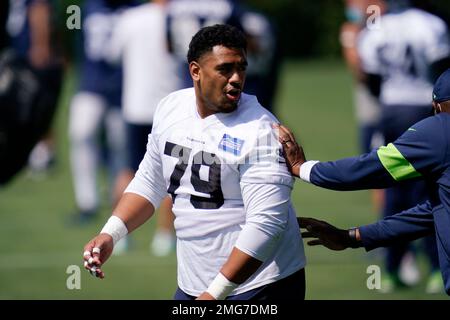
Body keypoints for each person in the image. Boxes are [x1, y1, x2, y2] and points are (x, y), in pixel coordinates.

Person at [82, 24, 306, 300]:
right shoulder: (171, 108)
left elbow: (266, 225)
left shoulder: (261, 131)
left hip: (260, 285)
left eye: (242, 68)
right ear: (195, 71)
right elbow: (151, 182)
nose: (236, 78)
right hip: (196, 284)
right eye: (225, 69)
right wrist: (111, 234)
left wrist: (214, 294)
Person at [274, 67, 450, 295]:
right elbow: (434, 212)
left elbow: (371, 169)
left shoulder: (440, 130)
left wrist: (304, 168)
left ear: (437, 106)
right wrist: (353, 237)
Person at [356, 0, 450, 291]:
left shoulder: (375, 28)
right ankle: (437, 269)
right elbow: (443, 74)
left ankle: (393, 268)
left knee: (393, 189)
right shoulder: (431, 23)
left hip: (391, 111)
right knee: (431, 192)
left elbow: (371, 81)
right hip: (426, 108)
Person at [107, 0, 182, 255]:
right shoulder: (181, 16)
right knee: (175, 174)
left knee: (128, 169)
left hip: (135, 104)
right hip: (171, 107)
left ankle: (119, 234)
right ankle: (164, 236)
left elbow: (112, 55)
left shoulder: (130, 18)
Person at [68, 0, 136, 225]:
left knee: (121, 145)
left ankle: (117, 197)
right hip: (91, 83)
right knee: (81, 133)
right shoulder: (82, 8)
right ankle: (87, 201)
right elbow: (74, 38)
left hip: (124, 87)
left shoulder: (135, 8)